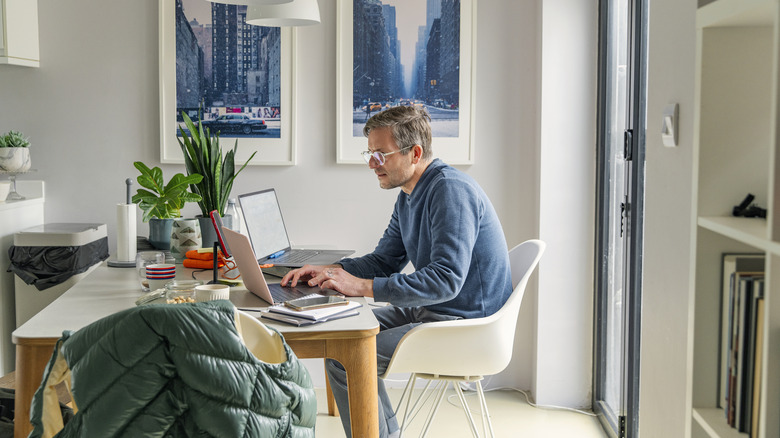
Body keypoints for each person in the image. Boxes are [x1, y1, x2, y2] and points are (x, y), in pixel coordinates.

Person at [281, 106, 512, 438]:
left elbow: (446, 280)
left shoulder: (449, 191)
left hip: (466, 327)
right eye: (370, 154)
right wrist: (331, 271)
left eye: (380, 154)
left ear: (414, 153)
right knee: (340, 343)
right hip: (435, 312)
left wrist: (361, 286)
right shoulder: (408, 196)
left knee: (348, 356)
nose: (372, 164)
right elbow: (383, 262)